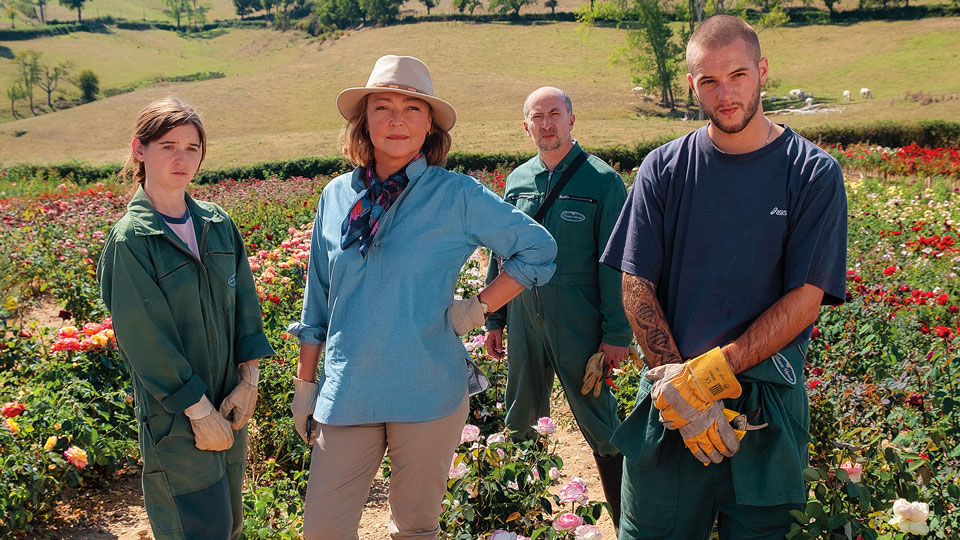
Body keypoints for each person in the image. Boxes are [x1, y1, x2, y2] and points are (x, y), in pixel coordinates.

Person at [286, 55, 557, 540]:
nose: (396, 119)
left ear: (429, 124)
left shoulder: (455, 195)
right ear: (363, 120)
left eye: (412, 108)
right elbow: (317, 302)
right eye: (382, 106)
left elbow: (538, 248)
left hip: (428, 388)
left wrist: (476, 309)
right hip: (348, 390)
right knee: (321, 531)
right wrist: (306, 385)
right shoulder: (335, 197)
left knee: (414, 529)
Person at [599, 15, 848, 540]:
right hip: (669, 406)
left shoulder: (811, 172)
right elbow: (635, 284)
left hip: (765, 408)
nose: (725, 93)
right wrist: (678, 388)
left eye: (737, 75)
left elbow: (805, 299)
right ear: (693, 85)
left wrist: (706, 378)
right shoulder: (664, 168)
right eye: (708, 81)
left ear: (762, 71)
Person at [98, 97, 275, 540]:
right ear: (140, 150)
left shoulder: (217, 224)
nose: (182, 159)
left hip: (229, 400)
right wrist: (197, 410)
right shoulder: (132, 241)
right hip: (176, 415)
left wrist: (248, 380)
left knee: (230, 523)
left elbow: (246, 308)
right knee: (196, 527)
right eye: (168, 146)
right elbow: (145, 338)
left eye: (192, 148)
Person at [483, 86, 633, 531]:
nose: (546, 124)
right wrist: (494, 318)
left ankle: (629, 521)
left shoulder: (602, 181)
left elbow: (616, 264)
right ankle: (521, 520)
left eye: (554, 114)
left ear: (572, 119)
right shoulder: (517, 181)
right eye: (537, 116)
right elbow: (501, 252)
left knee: (600, 422)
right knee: (519, 416)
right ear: (525, 125)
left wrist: (615, 334)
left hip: (579, 320)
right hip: (525, 317)